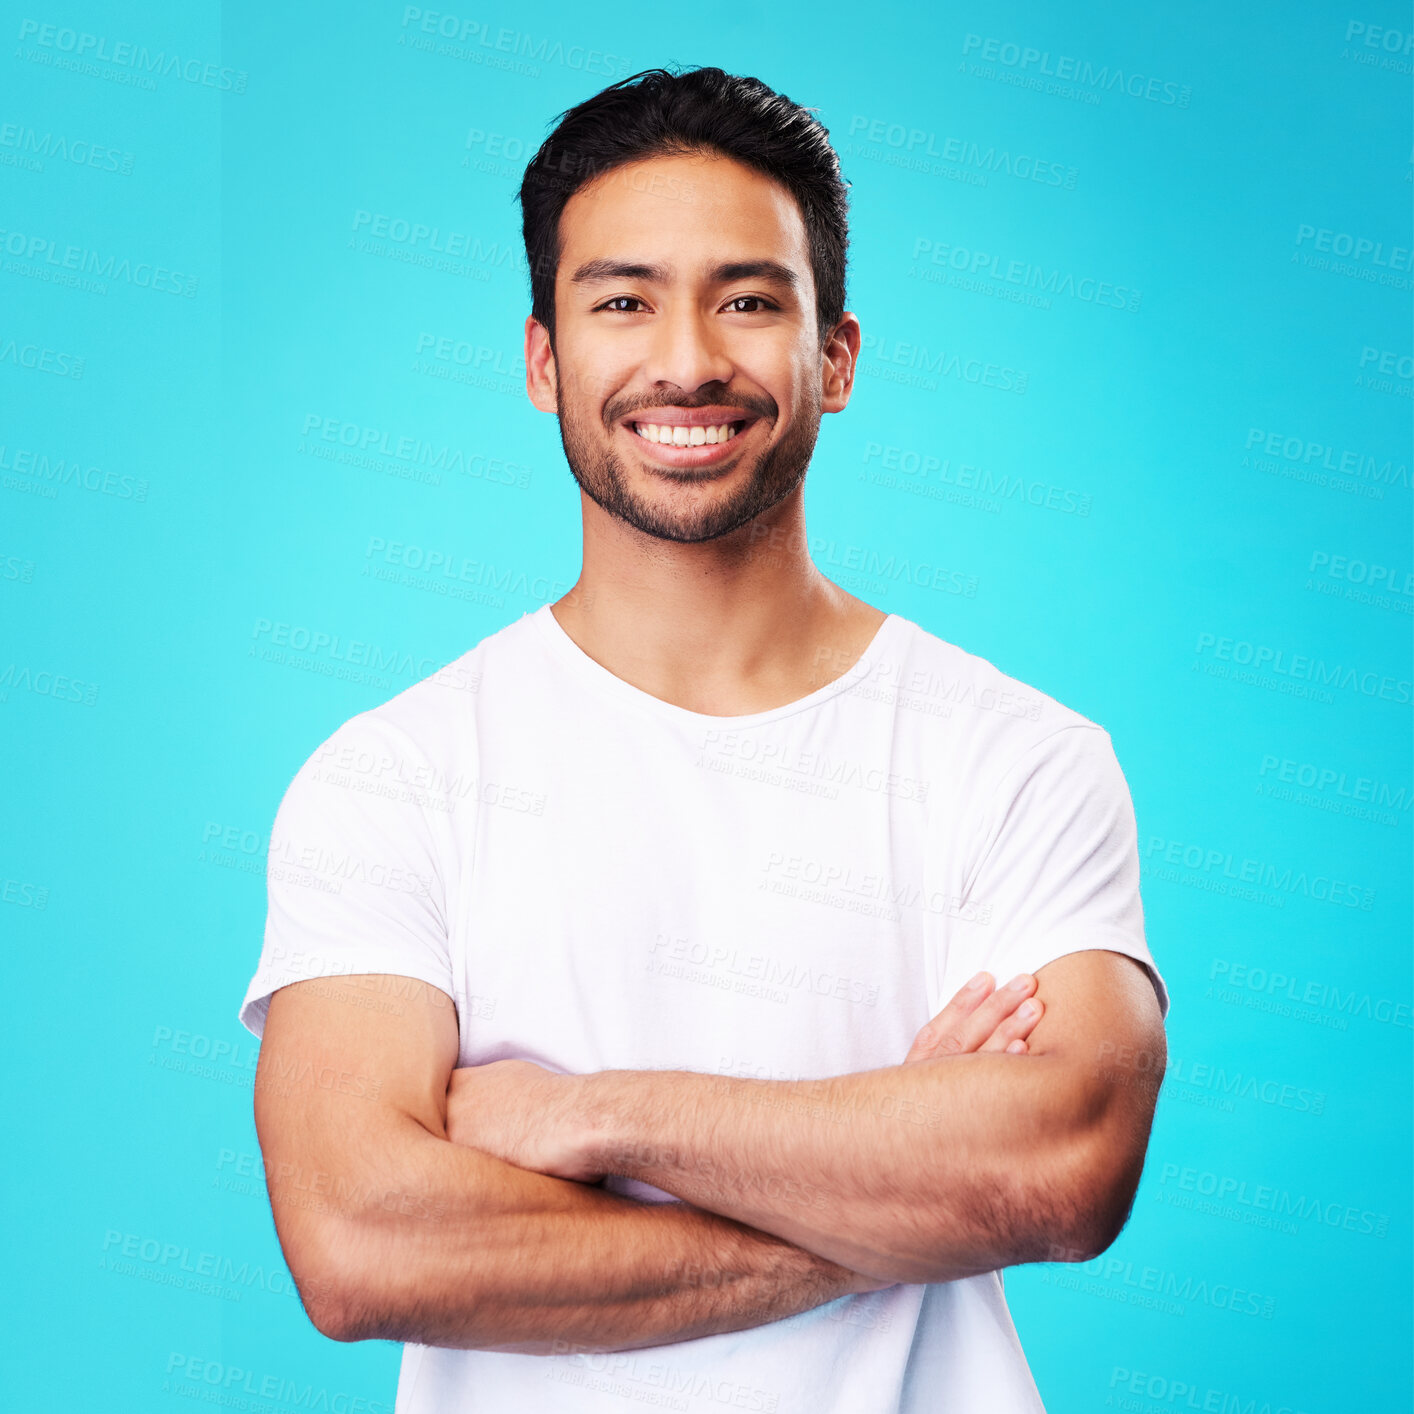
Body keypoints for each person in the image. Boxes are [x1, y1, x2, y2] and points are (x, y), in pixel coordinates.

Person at [237, 65, 1169, 1413]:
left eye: (747, 298)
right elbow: (359, 1241)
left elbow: (1062, 1170)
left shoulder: (1017, 757)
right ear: (541, 358)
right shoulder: (393, 777)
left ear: (833, 356)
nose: (686, 357)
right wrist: (889, 1186)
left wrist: (592, 1113)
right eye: (622, 300)